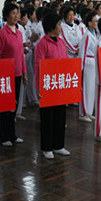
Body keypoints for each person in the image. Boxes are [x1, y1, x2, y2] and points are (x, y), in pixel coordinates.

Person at [34, 12, 71, 159]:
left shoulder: (61, 42)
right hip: (48, 86)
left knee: (60, 116)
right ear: (51, 26)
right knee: (47, 117)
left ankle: (58, 145)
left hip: (60, 84)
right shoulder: (42, 44)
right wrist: (38, 87)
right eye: (59, 24)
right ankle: (47, 147)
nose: (61, 27)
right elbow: (38, 66)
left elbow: (67, 63)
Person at [0, 2, 27, 147]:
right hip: (6, 75)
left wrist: (24, 72)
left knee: (14, 105)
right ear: (6, 16)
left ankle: (12, 134)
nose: (16, 16)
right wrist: (0, 74)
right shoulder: (1, 34)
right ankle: (4, 136)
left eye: (17, 13)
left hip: (18, 74)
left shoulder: (19, 33)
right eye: (13, 13)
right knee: (5, 106)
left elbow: (21, 55)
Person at [78, 10, 99, 122]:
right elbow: (82, 52)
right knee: (86, 88)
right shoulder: (86, 35)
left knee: (91, 89)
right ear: (89, 23)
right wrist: (81, 68)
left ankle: (89, 112)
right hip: (87, 63)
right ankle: (83, 113)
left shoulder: (94, 34)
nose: (96, 23)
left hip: (93, 63)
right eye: (95, 21)